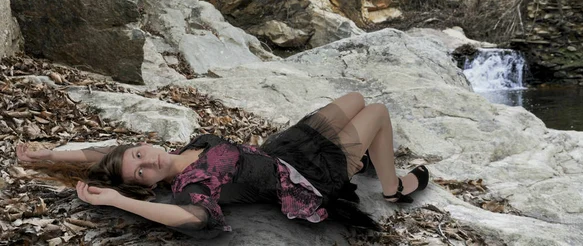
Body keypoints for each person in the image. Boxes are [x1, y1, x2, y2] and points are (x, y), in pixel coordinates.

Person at [16, 92, 428, 238]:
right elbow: (196, 220)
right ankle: (394, 189)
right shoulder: (194, 184)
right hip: (306, 177)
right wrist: (117, 201)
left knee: (354, 97)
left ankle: (370, 160)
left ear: (142, 144)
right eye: (141, 172)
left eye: (140, 153)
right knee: (377, 110)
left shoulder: (182, 150)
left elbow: (101, 156)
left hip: (283, 149)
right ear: (145, 185)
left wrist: (48, 155)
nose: (149, 161)